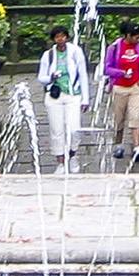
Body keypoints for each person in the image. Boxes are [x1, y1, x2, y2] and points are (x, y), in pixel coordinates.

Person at [36, 26, 88, 174]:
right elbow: (41, 78)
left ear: (67, 37)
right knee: (56, 129)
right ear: (53, 39)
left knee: (73, 128)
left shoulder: (76, 52)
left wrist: (85, 98)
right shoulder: (49, 55)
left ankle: (72, 156)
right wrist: (51, 77)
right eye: (57, 37)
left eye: (63, 36)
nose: (60, 39)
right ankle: (60, 162)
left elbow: (83, 74)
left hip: (73, 94)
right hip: (55, 96)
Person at [104, 21, 139, 164]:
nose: (138, 39)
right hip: (119, 87)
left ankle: (137, 147)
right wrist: (121, 73)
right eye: (136, 36)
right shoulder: (115, 48)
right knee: (119, 118)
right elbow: (107, 68)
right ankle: (118, 145)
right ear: (127, 35)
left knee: (135, 117)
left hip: (136, 87)